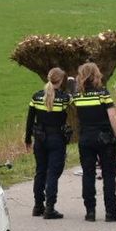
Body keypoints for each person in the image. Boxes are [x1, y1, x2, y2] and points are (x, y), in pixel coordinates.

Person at [74, 62, 116, 222]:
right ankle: (111, 211)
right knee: (109, 174)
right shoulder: (102, 93)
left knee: (88, 174)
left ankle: (90, 211)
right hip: (104, 138)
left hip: (85, 138)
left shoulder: (78, 95)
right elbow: (112, 116)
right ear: (96, 74)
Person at [25, 67, 71, 220]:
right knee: (53, 173)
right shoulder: (64, 98)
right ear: (61, 81)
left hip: (39, 138)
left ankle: (38, 206)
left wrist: (27, 139)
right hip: (57, 138)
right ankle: (50, 208)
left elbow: (30, 119)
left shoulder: (36, 97)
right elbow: (73, 106)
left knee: (40, 172)